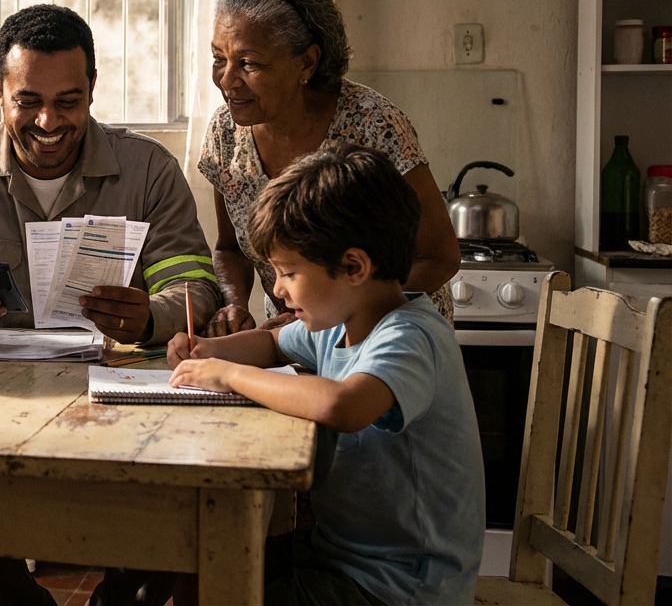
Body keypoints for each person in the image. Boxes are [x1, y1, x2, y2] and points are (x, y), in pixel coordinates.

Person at [0, 3, 218, 605]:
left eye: (68, 102)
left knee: (180, 501)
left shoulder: (148, 169)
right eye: (28, 101)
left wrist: (151, 316)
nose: (48, 121)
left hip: (115, 400)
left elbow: (195, 284)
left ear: (92, 88)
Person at [167, 143, 485, 605]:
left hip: (401, 585)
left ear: (353, 266)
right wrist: (207, 350)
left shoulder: (411, 337)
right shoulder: (340, 322)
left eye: (288, 272)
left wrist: (229, 376)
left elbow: (343, 404)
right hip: (340, 554)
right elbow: (272, 343)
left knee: (216, 587)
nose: (278, 289)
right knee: (199, 568)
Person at [197, 0, 460, 337]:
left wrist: (334, 318)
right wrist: (235, 306)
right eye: (218, 59)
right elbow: (231, 250)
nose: (226, 80)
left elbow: (438, 258)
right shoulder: (225, 132)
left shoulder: (373, 125)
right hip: (298, 338)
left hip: (391, 339)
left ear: (307, 62)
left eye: (249, 63)